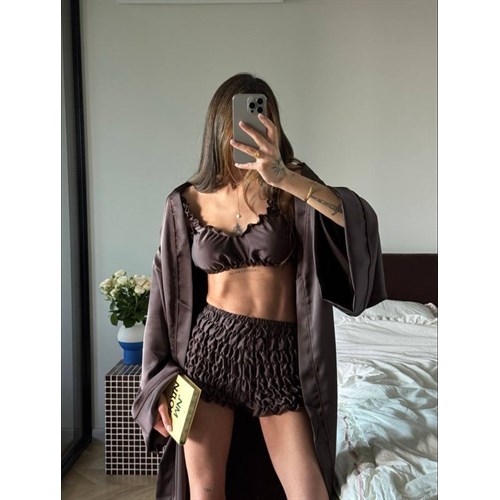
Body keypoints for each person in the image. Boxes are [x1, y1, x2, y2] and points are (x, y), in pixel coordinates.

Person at [132, 73, 387, 500]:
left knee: (309, 491)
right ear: (220, 125)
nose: (250, 129)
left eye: (262, 117)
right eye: (239, 120)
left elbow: (353, 220)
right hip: (210, 353)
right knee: (205, 492)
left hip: (279, 356)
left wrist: (283, 176)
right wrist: (157, 381)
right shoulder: (185, 201)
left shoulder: (290, 184)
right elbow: (164, 297)